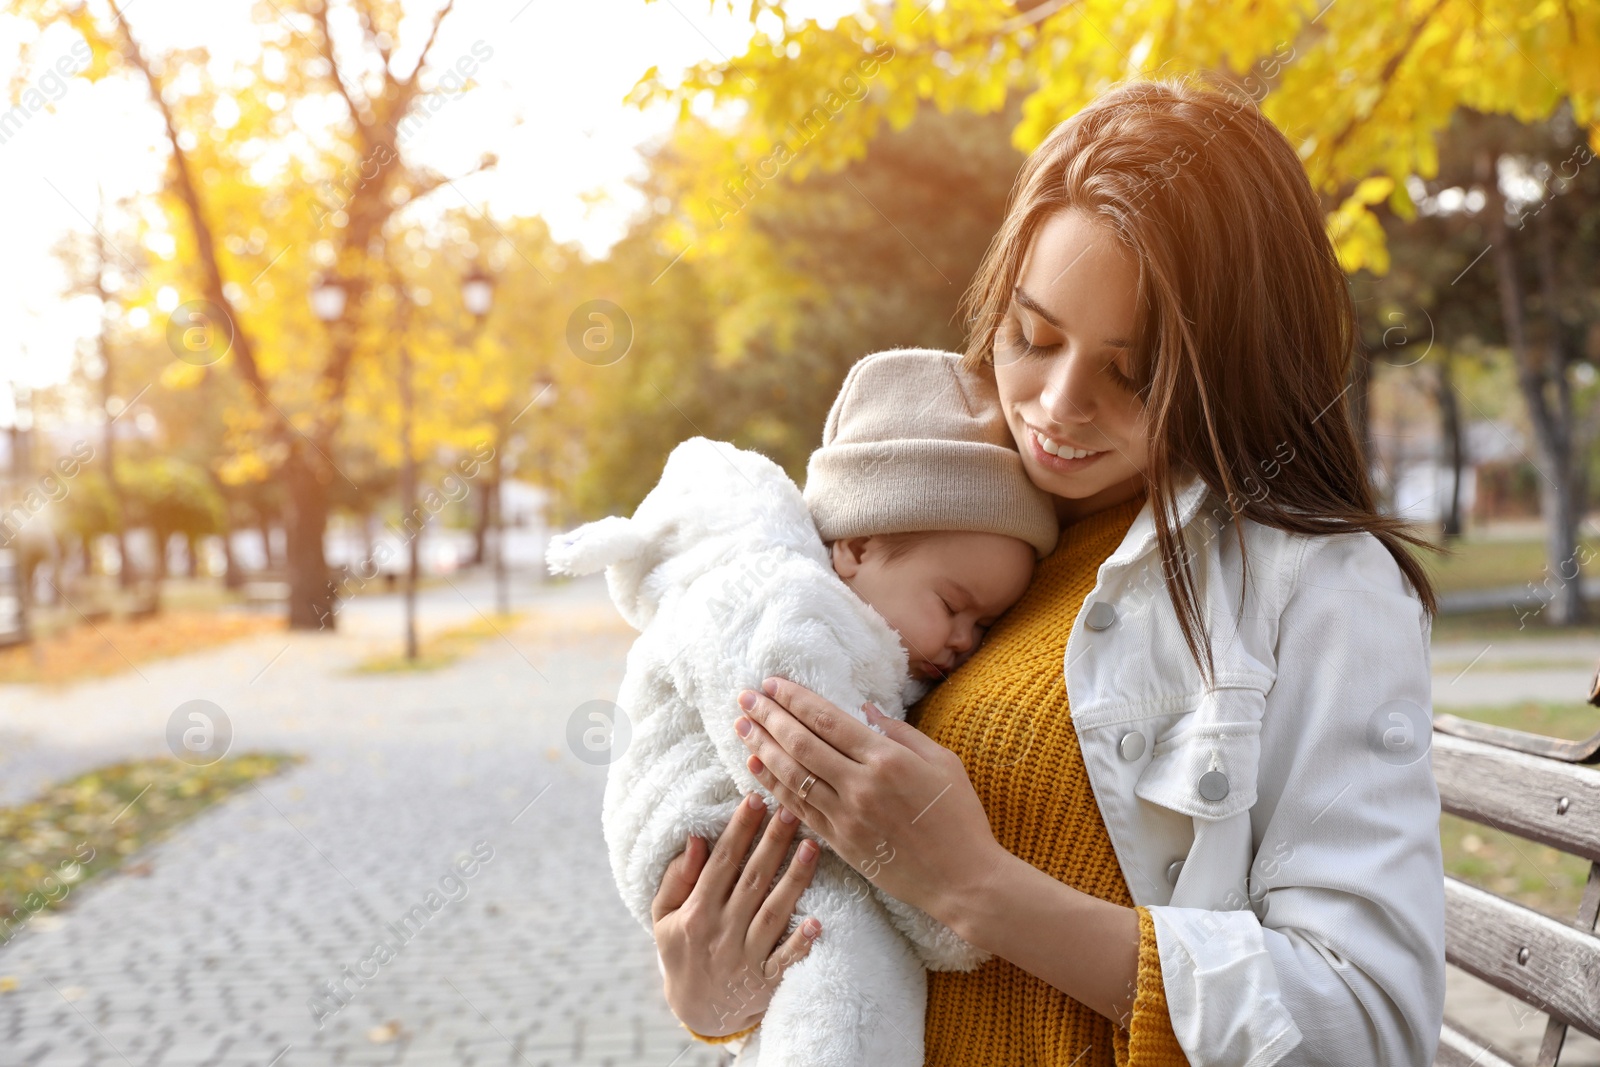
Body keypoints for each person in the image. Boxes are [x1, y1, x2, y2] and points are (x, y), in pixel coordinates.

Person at [649, 76, 1447, 1067]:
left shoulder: (1321, 584)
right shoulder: (949, 527)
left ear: (1235, 362)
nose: (1058, 404)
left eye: (1133, 370)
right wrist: (719, 988)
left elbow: (1366, 1023)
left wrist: (975, 886)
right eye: (1032, 336)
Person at [548, 349, 1062, 1064]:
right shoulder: (783, 605)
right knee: (841, 967)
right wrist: (947, 919)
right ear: (855, 545)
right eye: (952, 606)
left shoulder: (870, 626)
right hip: (717, 837)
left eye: (984, 627)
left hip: (764, 872)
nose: (962, 642)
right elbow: (808, 776)